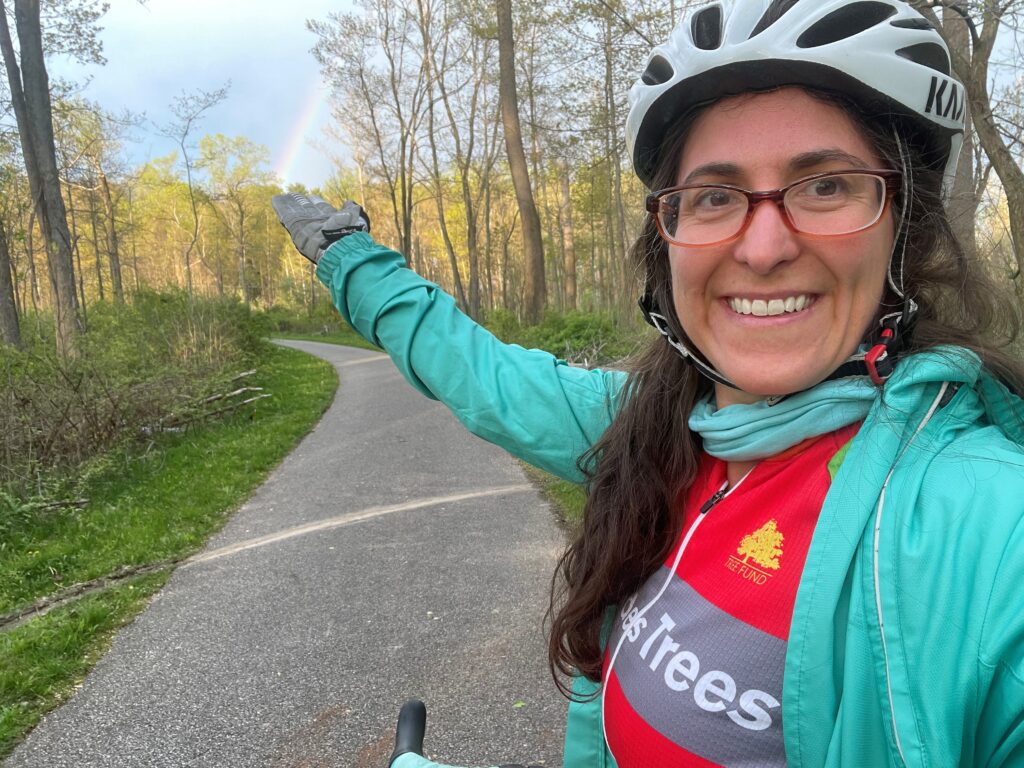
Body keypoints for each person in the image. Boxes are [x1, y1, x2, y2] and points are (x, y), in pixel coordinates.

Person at [272, 0, 1024, 765]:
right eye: (714, 196)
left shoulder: (990, 533)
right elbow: (484, 375)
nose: (764, 248)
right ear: (666, 244)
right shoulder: (655, 428)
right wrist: (352, 260)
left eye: (827, 186)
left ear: (906, 227)